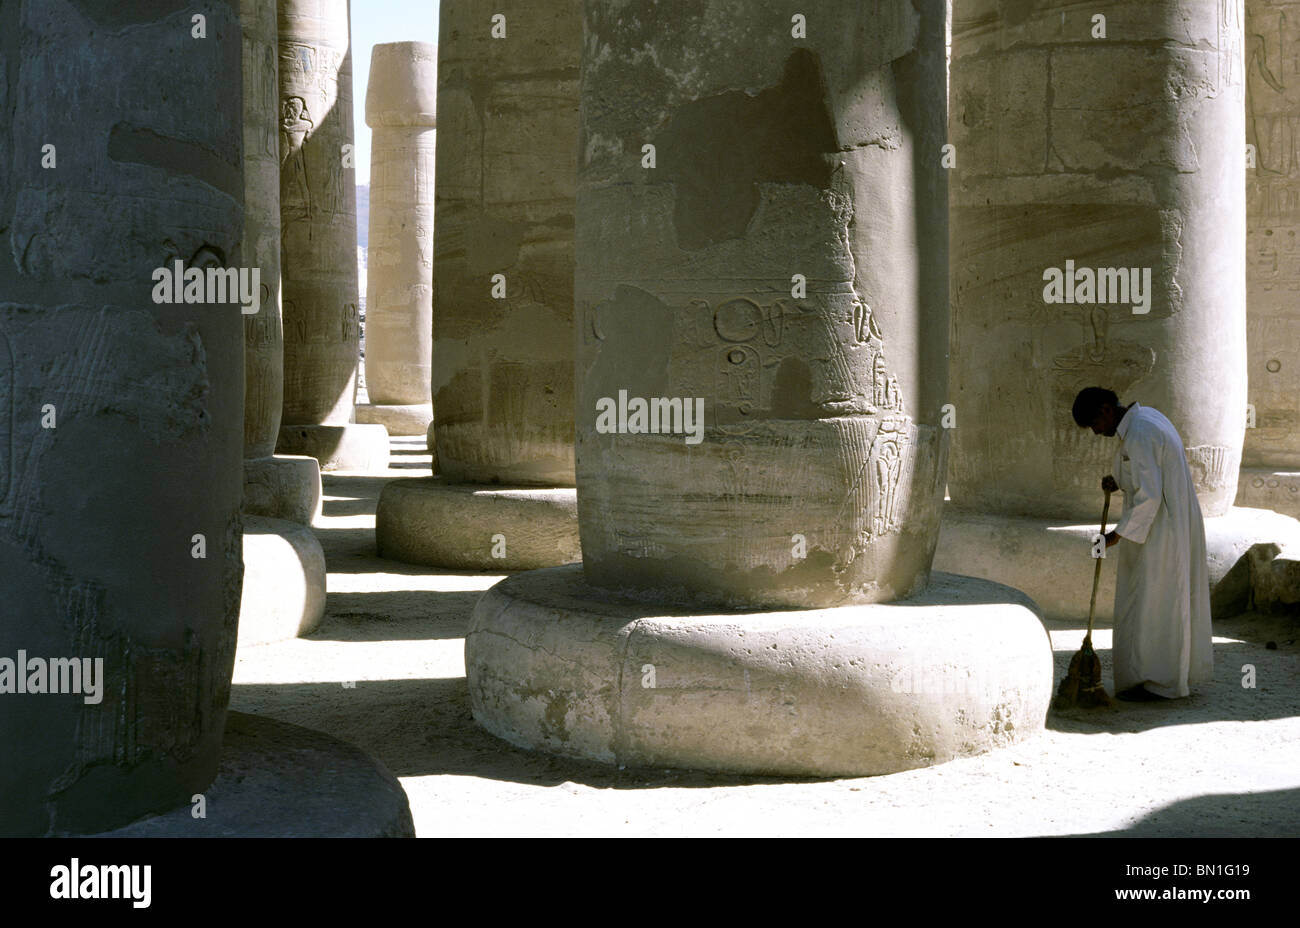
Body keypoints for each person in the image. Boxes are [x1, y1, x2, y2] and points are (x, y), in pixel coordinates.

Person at [1071, 387, 1213, 701]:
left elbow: (1149, 496)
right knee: (1149, 601)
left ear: (1106, 410)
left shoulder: (1141, 432)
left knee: (1158, 604)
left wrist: (1113, 538)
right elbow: (1144, 475)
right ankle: (1148, 678)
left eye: (1095, 424)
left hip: (1163, 531)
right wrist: (1118, 482)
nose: (1096, 432)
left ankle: (1161, 682)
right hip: (1157, 527)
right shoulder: (1144, 420)